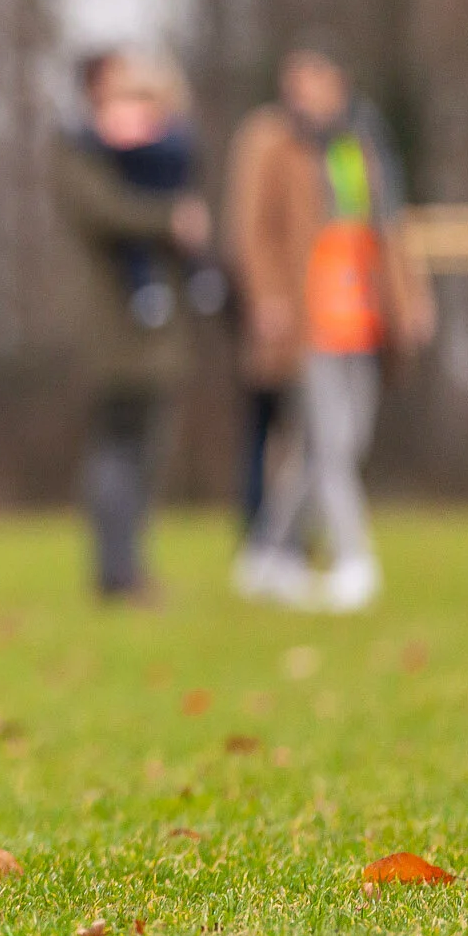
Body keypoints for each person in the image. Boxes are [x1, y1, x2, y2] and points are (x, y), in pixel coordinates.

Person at [226, 36, 435, 612]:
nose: (305, 93)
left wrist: (411, 298)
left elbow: (388, 228)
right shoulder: (269, 140)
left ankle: (268, 553)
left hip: (360, 315)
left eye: (316, 80)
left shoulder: (361, 142)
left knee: (339, 446)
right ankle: (352, 561)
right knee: (330, 444)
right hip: (307, 317)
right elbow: (252, 229)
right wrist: (266, 297)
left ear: (339, 82)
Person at [52, 49, 212, 602]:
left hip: (156, 329)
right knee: (117, 450)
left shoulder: (149, 142)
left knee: (148, 453)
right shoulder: (79, 148)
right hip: (112, 327)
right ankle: (116, 574)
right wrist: (172, 219)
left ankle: (132, 570)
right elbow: (104, 212)